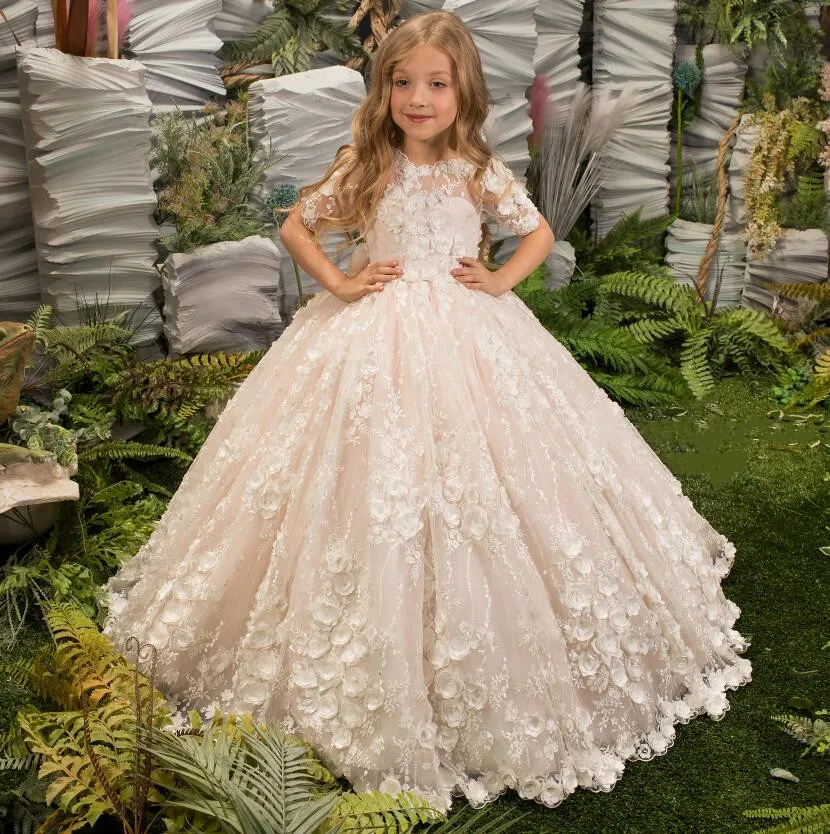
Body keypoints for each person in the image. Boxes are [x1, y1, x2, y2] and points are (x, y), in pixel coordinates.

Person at [103, 10, 752, 815]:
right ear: (385, 92)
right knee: (359, 480)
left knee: (490, 480)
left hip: (467, 332)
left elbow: (539, 232)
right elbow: (298, 226)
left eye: (435, 85)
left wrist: (499, 280)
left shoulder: (475, 168)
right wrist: (341, 285)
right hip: (369, 337)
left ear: (462, 91)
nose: (418, 97)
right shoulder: (367, 162)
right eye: (403, 83)